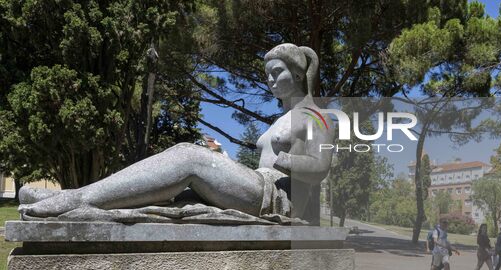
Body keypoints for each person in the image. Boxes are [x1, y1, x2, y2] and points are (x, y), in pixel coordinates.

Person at [17, 44, 335, 221]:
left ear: (297, 73)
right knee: (173, 194)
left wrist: (286, 161)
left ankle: (73, 198)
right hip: (256, 186)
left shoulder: (319, 117)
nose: (269, 80)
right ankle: (77, 198)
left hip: (274, 198)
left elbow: (320, 168)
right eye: (266, 74)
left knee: (190, 156)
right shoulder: (280, 120)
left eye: (276, 72)